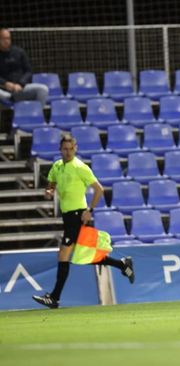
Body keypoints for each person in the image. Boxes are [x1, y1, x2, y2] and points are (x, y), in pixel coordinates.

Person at [32, 135, 134, 309]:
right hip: (67, 216)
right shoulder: (57, 166)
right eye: (65, 149)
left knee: (64, 255)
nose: (68, 152)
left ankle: (54, 297)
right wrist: (49, 190)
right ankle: (122, 264)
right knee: (83, 256)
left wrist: (89, 211)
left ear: (76, 148)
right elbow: (51, 183)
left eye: (71, 148)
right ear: (60, 149)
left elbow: (99, 190)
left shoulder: (80, 167)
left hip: (77, 215)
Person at [0, 27, 48, 106]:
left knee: (43, 89)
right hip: (3, 90)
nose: (6, 41)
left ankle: (39, 116)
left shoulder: (19, 52)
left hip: (20, 88)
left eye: (8, 38)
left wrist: (21, 83)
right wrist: (5, 83)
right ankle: (10, 97)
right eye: (3, 39)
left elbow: (29, 71)